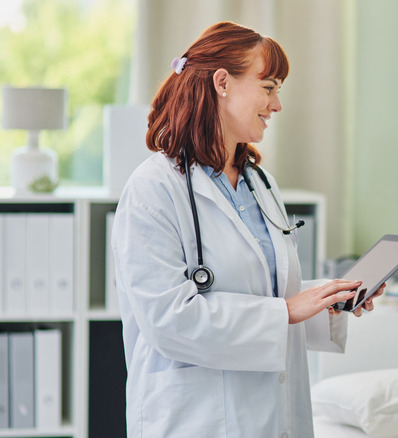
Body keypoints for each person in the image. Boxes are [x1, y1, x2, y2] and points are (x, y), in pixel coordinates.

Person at [112, 22, 377, 438]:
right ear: (222, 83)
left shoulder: (259, 183)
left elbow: (268, 297)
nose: (277, 105)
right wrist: (287, 311)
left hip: (274, 417)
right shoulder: (153, 189)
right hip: (195, 421)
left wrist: (325, 300)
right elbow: (168, 320)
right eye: (269, 87)